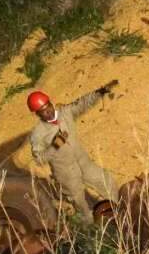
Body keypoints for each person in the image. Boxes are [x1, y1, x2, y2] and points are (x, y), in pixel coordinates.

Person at [27, 81, 119, 222]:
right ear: (38, 114)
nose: (49, 111)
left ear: (51, 103)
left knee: (107, 181)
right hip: (66, 174)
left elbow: (81, 104)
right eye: (43, 111)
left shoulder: (65, 112)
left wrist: (99, 92)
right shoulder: (38, 134)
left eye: (49, 106)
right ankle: (93, 229)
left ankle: (117, 213)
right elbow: (39, 160)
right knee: (80, 203)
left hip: (84, 162)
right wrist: (54, 147)